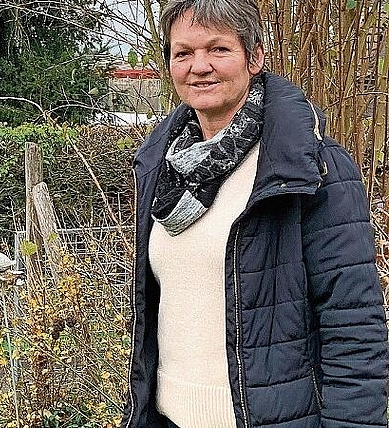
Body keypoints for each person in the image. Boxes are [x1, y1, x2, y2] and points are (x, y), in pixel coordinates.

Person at [120, 0, 388, 427]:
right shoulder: (161, 169)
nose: (199, 66)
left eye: (218, 49)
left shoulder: (308, 168)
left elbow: (353, 328)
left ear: (255, 56)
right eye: (183, 53)